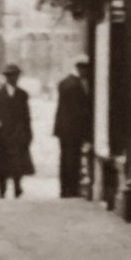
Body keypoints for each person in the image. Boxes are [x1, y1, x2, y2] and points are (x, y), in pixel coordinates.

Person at [0, 64, 34, 199]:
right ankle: (2, 189)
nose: (13, 79)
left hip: (17, 132)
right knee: (2, 163)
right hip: (1, 133)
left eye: (15, 76)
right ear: (6, 77)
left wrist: (28, 132)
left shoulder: (22, 95)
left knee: (17, 162)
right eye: (10, 76)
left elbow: (26, 115)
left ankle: (17, 187)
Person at [54, 58, 93, 198]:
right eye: (85, 69)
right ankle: (70, 189)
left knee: (66, 158)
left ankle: (66, 189)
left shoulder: (66, 83)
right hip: (72, 128)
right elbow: (78, 110)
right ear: (80, 68)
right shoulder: (74, 85)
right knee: (72, 159)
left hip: (64, 129)